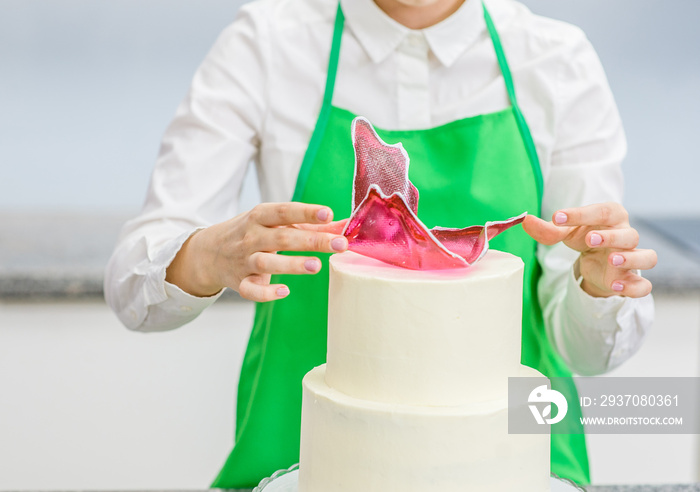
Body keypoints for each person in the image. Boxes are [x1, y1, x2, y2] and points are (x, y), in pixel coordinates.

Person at [105, 0, 657, 487]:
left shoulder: (557, 60)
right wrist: (207, 253)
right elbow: (132, 283)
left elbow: (586, 349)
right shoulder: (268, 42)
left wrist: (597, 284)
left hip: (521, 461)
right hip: (295, 461)